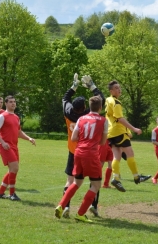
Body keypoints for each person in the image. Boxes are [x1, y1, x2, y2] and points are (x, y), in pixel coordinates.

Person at [55, 95, 108, 223]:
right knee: (95, 185)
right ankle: (80, 214)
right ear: (100, 107)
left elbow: (73, 138)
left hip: (78, 152)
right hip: (91, 153)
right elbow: (102, 142)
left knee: (76, 182)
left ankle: (61, 205)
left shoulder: (81, 119)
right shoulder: (103, 120)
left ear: (89, 107)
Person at [62, 74, 105, 218]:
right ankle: (93, 206)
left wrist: (74, 86)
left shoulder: (68, 112)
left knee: (70, 181)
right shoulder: (88, 114)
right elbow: (100, 101)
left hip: (73, 150)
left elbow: (65, 99)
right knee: (95, 180)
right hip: (90, 151)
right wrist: (92, 86)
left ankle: (66, 207)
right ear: (85, 107)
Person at [105, 80, 151, 192]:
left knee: (117, 156)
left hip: (110, 133)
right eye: (116, 88)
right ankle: (136, 176)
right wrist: (133, 129)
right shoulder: (116, 103)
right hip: (118, 132)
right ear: (111, 91)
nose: (119, 89)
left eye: (119, 87)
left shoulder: (108, 100)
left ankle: (115, 178)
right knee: (130, 153)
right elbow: (120, 119)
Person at [0, 95, 36, 201]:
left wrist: (29, 138)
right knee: (15, 168)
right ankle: (12, 194)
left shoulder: (16, 117)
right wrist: (2, 143)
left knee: (12, 170)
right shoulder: (2, 116)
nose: (13, 103)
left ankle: (0, 193)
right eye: (11, 102)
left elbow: (19, 132)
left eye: (14, 102)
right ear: (6, 104)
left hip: (14, 146)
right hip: (6, 147)